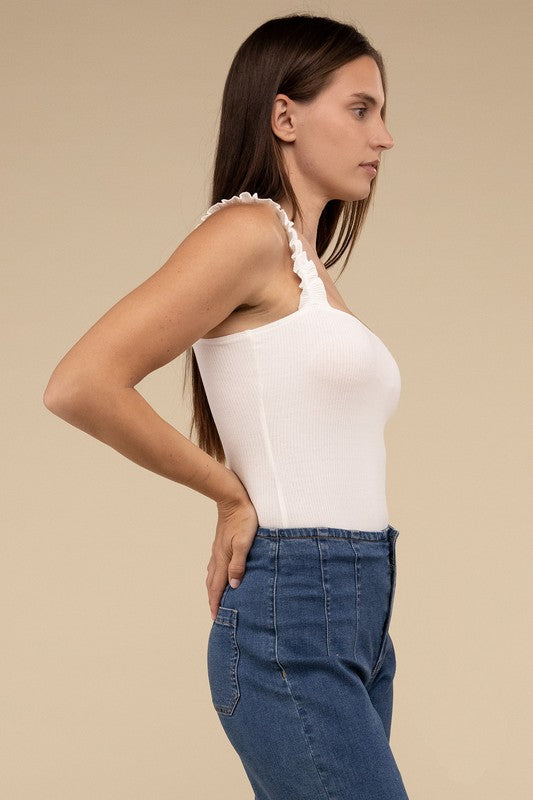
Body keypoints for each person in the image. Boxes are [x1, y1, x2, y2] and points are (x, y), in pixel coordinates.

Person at [43, 12, 410, 800]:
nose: (382, 137)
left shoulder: (306, 266)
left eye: (380, 113)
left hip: (357, 611)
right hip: (296, 611)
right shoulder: (248, 231)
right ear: (284, 116)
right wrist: (226, 491)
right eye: (359, 109)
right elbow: (81, 382)